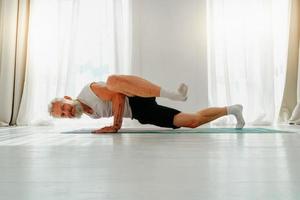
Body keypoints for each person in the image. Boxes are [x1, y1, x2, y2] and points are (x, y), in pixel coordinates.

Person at [48, 75, 245, 133]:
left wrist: (115, 126)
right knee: (191, 121)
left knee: (113, 81)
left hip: (134, 94)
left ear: (67, 97)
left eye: (64, 107)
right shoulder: (88, 113)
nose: (68, 111)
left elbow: (118, 97)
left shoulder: (88, 90)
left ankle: (174, 95)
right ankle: (232, 109)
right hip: (141, 112)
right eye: (63, 115)